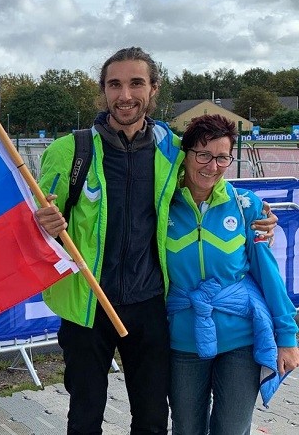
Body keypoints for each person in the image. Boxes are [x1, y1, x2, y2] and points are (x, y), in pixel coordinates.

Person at [34, 47, 278, 435]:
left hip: (148, 305)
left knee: (151, 419)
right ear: (103, 90)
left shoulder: (171, 148)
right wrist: (40, 222)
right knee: (84, 418)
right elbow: (34, 226)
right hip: (86, 305)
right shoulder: (69, 151)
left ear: (153, 89)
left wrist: (255, 212)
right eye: (115, 84)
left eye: (136, 83)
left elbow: (210, 177)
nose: (125, 95)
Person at [166, 114, 299, 435]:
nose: (212, 166)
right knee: (186, 428)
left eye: (223, 157)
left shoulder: (245, 205)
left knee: (231, 429)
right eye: (203, 155)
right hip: (182, 340)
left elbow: (268, 273)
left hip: (240, 339)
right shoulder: (162, 206)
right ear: (185, 154)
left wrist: (287, 337)